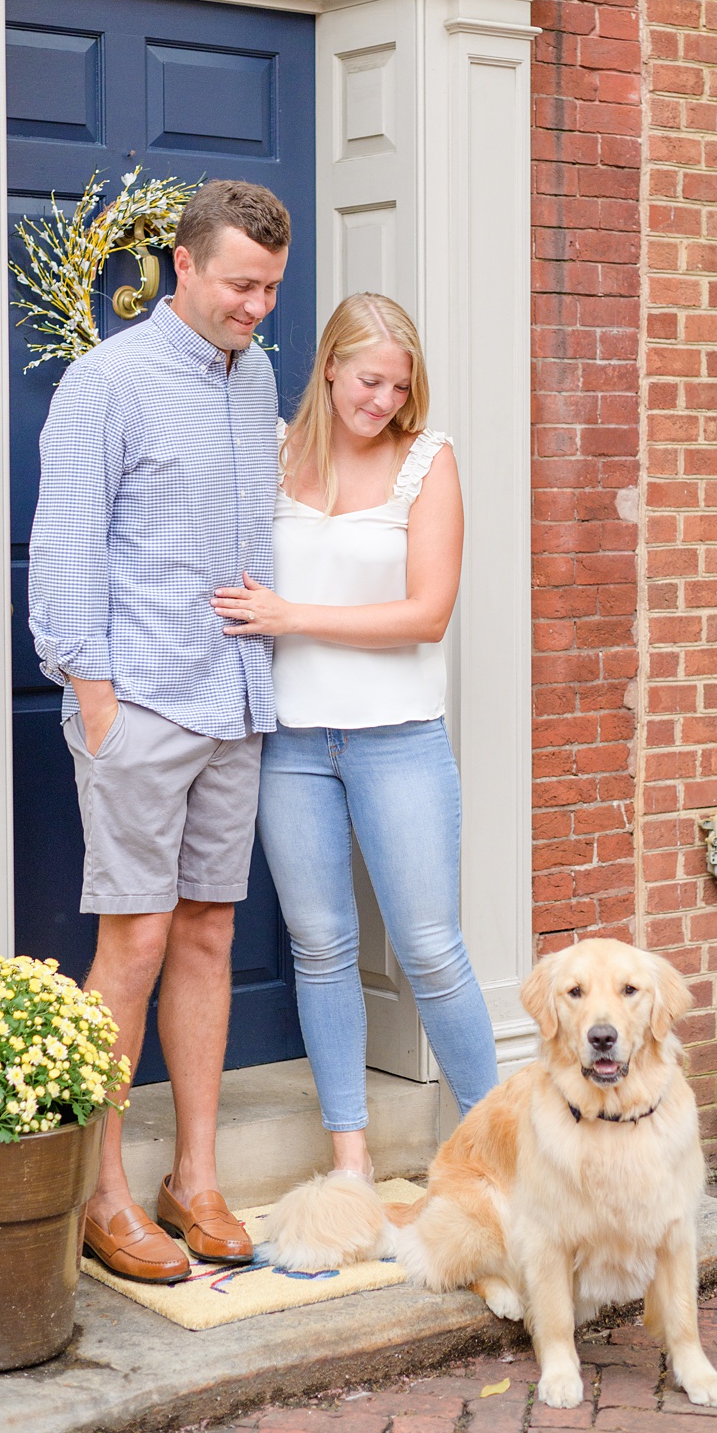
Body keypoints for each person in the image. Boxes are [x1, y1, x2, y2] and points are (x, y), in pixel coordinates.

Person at [29, 178, 293, 1283]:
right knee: (130, 945)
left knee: (210, 937)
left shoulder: (260, 373)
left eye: (271, 288)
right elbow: (66, 548)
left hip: (235, 703)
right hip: (140, 702)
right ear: (184, 265)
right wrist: (96, 698)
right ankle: (104, 1196)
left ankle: (196, 1178)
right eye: (241, 284)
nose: (258, 307)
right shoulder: (108, 382)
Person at [212, 294, 498, 1181]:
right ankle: (351, 1158)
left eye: (397, 385)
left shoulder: (428, 461)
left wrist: (291, 616)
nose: (380, 399)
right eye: (368, 378)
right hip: (292, 743)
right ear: (330, 364)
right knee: (322, 946)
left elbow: (427, 614)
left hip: (399, 739)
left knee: (429, 947)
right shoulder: (268, 454)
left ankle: (501, 1153)